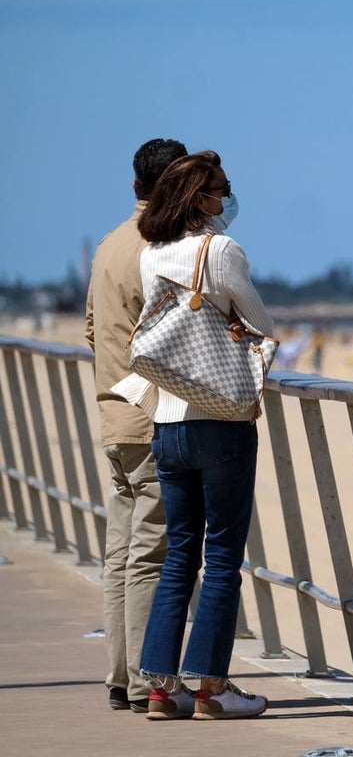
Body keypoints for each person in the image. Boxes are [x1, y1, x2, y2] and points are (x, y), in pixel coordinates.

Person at [134, 150, 275, 720]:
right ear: (203, 199)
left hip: (167, 421)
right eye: (223, 189)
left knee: (177, 557)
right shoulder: (222, 250)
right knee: (221, 557)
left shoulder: (154, 254)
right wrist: (240, 327)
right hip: (221, 419)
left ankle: (162, 690)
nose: (229, 198)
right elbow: (262, 326)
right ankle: (212, 688)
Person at [85, 137, 187, 713]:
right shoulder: (165, 249)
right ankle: (152, 681)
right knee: (152, 552)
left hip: (113, 416)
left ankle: (120, 675)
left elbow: (94, 331)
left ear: (134, 186)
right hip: (155, 420)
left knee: (121, 552)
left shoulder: (108, 245)